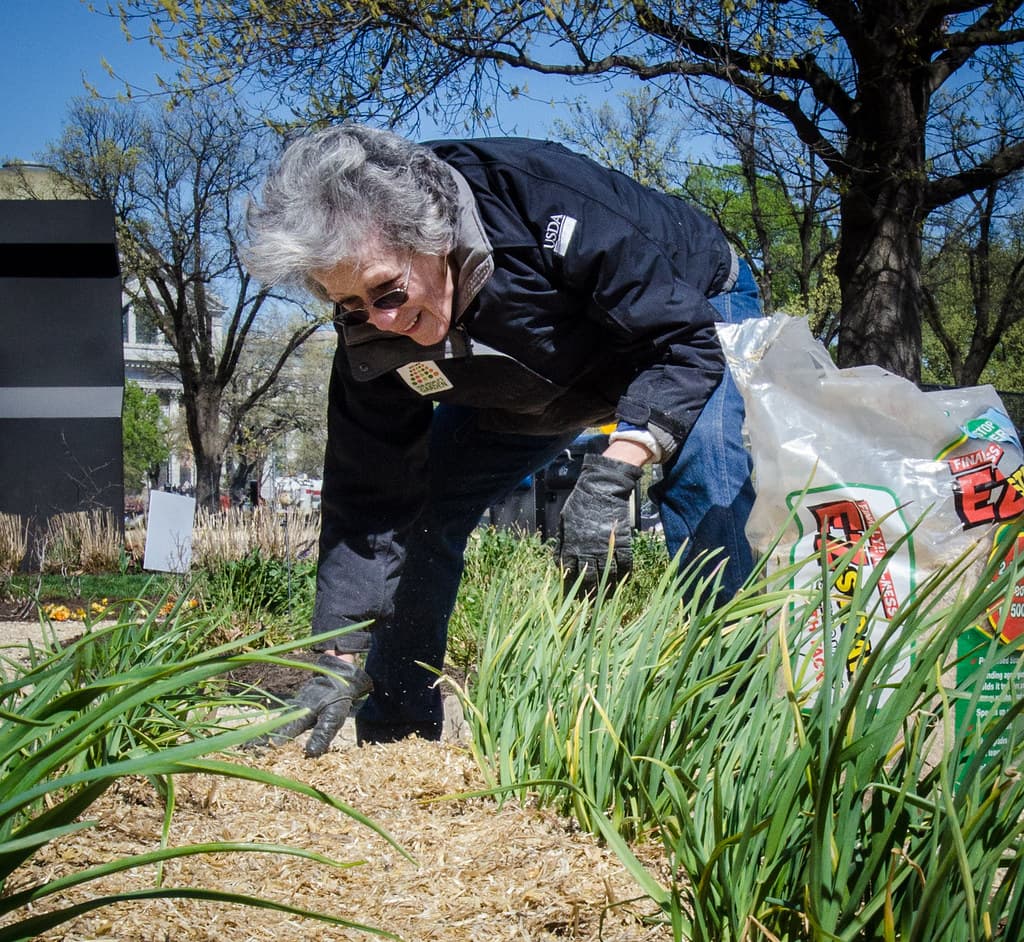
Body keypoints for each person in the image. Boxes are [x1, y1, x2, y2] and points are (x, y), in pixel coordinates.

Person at [243, 125, 762, 755]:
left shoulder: (545, 199)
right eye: (348, 303)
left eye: (388, 291)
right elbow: (368, 493)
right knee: (424, 506)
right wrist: (336, 653)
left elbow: (681, 344)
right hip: (537, 373)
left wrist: (617, 467)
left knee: (705, 477)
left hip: (681, 323)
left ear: (432, 239)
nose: (378, 320)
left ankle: (742, 723)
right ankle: (398, 737)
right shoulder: (374, 330)